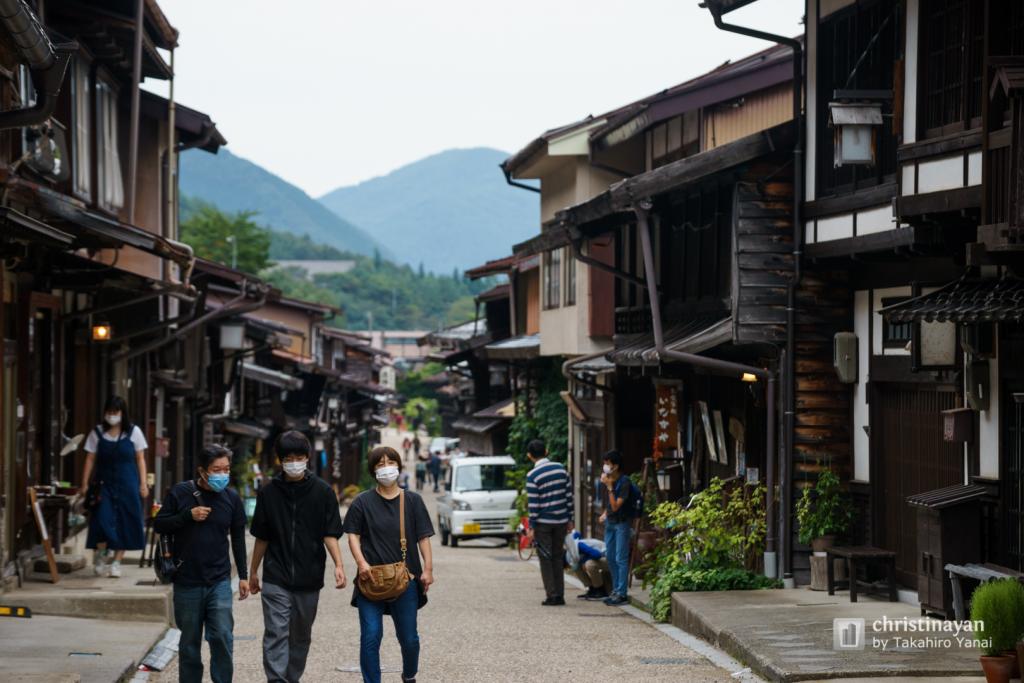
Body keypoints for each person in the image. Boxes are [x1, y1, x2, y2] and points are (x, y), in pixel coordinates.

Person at [249, 431, 346, 683]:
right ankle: (277, 680)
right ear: (280, 460)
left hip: (309, 576)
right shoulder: (268, 493)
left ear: (308, 458)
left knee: (300, 635)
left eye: (299, 456)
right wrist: (253, 572)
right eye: (288, 457)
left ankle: (291, 678)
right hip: (275, 575)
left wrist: (338, 564)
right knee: (276, 632)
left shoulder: (323, 492)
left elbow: (330, 533)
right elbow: (262, 536)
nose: (294, 462)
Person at [154, 445, 249, 683]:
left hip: (219, 580)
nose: (222, 474)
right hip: (187, 580)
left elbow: (237, 538)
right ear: (202, 471)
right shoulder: (180, 493)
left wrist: (244, 575)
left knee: (222, 637)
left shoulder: (231, 498)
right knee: (189, 644)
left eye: (226, 469)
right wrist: (187, 515)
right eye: (216, 469)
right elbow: (160, 524)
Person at [345, 446, 434, 683]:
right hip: (370, 579)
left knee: (409, 639)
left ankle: (408, 674)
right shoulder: (362, 502)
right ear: (373, 470)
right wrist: (361, 563)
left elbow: (423, 537)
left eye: (390, 462)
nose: (386, 468)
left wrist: (428, 570)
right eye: (380, 464)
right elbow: (352, 534)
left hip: (406, 579)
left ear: (399, 466)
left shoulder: (413, 501)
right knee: (371, 636)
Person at [80, 396, 148, 578]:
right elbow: (90, 458)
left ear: (122, 413)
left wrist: (143, 483)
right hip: (103, 484)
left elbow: (140, 459)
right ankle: (102, 554)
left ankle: (117, 562)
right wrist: (84, 483)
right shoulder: (97, 433)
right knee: (102, 520)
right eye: (109, 412)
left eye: (115, 412)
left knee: (125, 522)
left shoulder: (134, 432)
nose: (112, 415)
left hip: (128, 484)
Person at [525, 439, 573, 606]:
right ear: (546, 451)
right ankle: (560, 594)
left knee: (545, 558)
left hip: (543, 523)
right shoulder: (561, 469)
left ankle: (552, 595)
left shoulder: (532, 476)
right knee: (558, 556)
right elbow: (569, 496)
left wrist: (531, 526)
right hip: (561, 520)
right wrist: (570, 518)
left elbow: (534, 504)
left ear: (530, 456)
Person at [600, 450, 633, 606]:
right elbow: (609, 507)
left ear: (616, 466)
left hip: (621, 523)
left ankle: (622, 593)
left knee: (621, 558)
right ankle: (615, 590)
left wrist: (609, 487)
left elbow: (616, 505)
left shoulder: (624, 482)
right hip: (610, 523)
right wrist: (605, 514)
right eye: (605, 463)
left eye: (608, 464)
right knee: (611, 557)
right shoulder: (610, 480)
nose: (605, 467)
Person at [565, 531, 612, 601]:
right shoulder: (573, 548)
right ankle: (592, 589)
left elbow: (597, 554)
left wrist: (584, 561)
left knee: (589, 564)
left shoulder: (579, 545)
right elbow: (577, 534)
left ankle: (600, 590)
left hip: (609, 559)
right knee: (577, 567)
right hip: (602, 559)